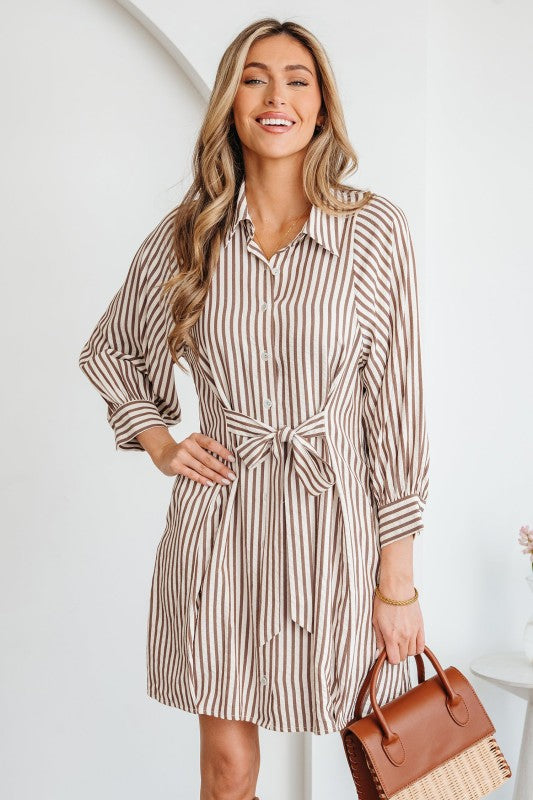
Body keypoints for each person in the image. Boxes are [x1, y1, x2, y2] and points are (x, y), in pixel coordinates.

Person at [78, 17, 430, 800]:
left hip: (334, 531)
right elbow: (110, 349)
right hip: (221, 529)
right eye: (254, 77)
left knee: (380, 757)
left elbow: (396, 411)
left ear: (321, 104)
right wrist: (163, 444)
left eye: (297, 79)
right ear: (230, 103)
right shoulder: (190, 236)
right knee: (228, 769)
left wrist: (396, 581)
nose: (277, 96)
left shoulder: (373, 232)